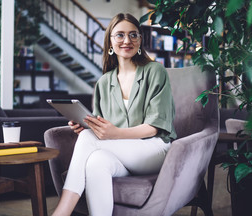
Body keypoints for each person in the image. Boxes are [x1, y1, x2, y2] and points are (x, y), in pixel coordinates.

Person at [51, 13, 176, 216]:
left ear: (140, 40)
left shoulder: (155, 71)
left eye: (133, 35)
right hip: (121, 154)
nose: (127, 40)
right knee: (96, 161)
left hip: (155, 149)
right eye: (120, 35)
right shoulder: (104, 82)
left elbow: (155, 126)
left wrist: (113, 133)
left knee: (88, 139)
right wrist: (88, 126)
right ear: (110, 41)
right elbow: (103, 130)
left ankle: (62, 212)